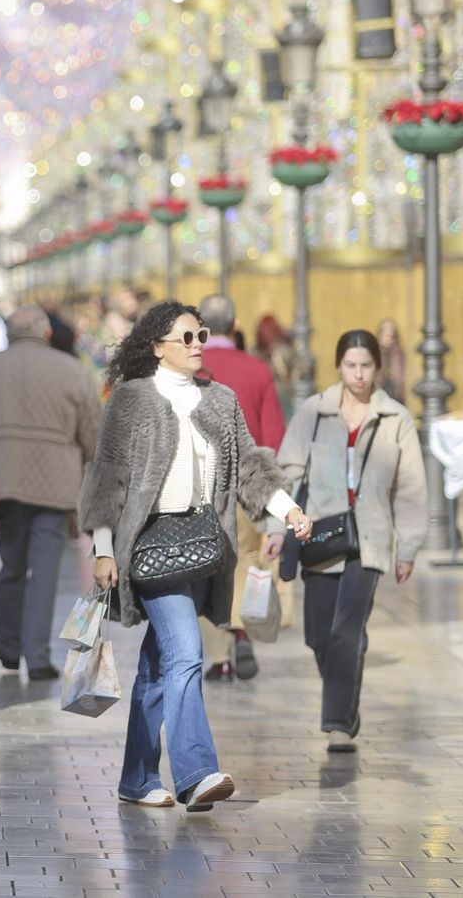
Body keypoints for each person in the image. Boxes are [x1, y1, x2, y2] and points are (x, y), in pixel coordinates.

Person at [78, 301, 310, 812]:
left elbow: (251, 464)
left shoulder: (220, 399)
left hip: (205, 545)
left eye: (201, 334)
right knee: (187, 650)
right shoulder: (131, 399)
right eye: (186, 337)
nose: (198, 344)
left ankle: (137, 777)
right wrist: (101, 548)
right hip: (150, 543)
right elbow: (107, 478)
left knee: (161, 667)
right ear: (157, 346)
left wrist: (288, 510)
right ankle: (196, 772)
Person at [267, 330, 426, 754]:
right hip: (319, 533)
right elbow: (286, 475)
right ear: (339, 366)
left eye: (366, 366)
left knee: (346, 631)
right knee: (320, 635)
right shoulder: (313, 413)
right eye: (351, 365)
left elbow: (411, 488)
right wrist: (275, 531)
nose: (358, 374)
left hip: (370, 539)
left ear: (377, 367)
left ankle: (339, 723)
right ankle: (345, 692)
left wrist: (407, 546)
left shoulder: (395, 418)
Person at [0, 306, 99, 680]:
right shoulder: (72, 370)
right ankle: (38, 656)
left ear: (8, 334)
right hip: (57, 485)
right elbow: (92, 432)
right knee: (44, 572)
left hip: (5, 480)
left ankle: (7, 646)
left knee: (11, 565)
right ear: (45, 333)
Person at [194, 294, 287, 683]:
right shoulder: (257, 370)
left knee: (202, 565)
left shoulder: (191, 367)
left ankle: (218, 658)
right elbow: (272, 434)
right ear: (234, 327)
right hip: (245, 483)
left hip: (198, 484)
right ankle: (241, 630)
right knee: (246, 556)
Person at [376, 319, 407, 404]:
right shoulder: (374, 352)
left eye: (391, 336)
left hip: (395, 392)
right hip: (378, 391)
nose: (389, 339)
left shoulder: (398, 353)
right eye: (386, 335)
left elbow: (401, 377)